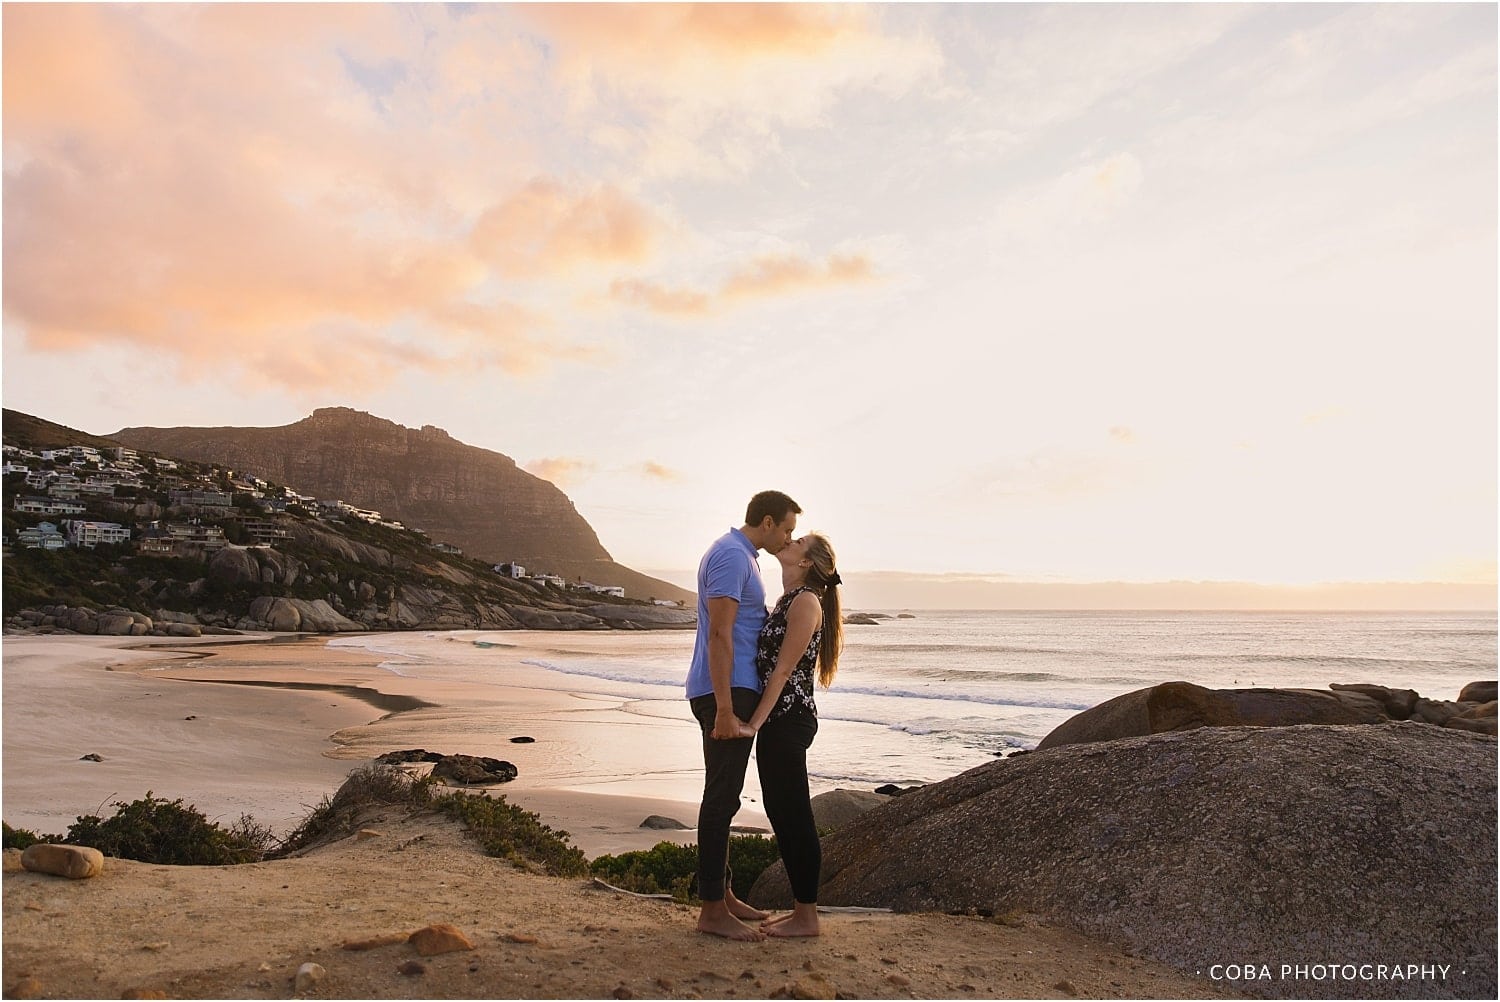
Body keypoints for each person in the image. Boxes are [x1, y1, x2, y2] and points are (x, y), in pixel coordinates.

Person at [685, 490, 801, 940]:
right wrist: (725, 709)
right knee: (721, 797)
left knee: (727, 796)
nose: (788, 538)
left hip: (731, 688)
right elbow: (720, 632)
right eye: (787, 529)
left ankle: (724, 895)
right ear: (767, 522)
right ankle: (712, 911)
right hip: (726, 691)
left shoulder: (742, 556)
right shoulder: (732, 556)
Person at [745, 531, 843, 938]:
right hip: (779, 720)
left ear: (806, 562)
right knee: (781, 812)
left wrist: (754, 723)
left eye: (798, 541)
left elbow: (784, 671)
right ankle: (801, 911)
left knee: (795, 815)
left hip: (789, 718)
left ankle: (807, 917)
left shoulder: (806, 602)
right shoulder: (789, 599)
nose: (789, 541)